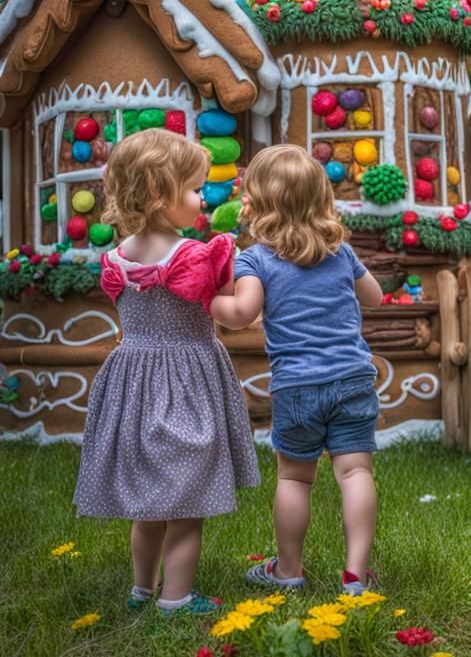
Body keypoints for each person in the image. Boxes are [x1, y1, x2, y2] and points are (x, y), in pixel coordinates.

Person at [74, 127, 260, 616]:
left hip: (131, 380)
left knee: (148, 505)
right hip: (185, 379)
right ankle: (176, 598)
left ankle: (142, 590)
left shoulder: (115, 258)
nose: (203, 198)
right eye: (196, 189)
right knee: (186, 504)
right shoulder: (193, 257)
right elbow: (229, 313)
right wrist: (243, 276)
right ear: (160, 196)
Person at [211, 144, 383, 595]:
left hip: (298, 387)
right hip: (352, 377)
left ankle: (288, 570)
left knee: (294, 477)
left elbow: (242, 313)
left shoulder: (256, 260)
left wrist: (206, 297)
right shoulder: (340, 253)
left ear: (260, 204)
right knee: (355, 473)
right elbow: (376, 298)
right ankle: (355, 574)